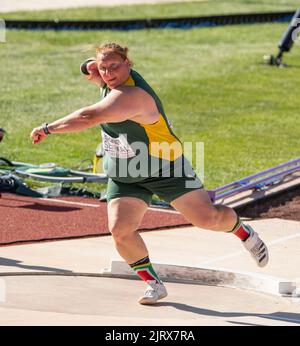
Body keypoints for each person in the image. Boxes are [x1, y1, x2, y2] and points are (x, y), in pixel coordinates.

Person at [30, 42, 269, 305]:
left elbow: (87, 117)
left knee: (208, 219)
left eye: (114, 67)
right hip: (125, 174)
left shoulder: (132, 96)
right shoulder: (110, 81)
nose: (108, 74)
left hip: (166, 168)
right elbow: (95, 73)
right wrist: (90, 68)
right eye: (103, 68)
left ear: (128, 64)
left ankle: (244, 232)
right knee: (120, 230)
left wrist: (47, 128)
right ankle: (153, 283)